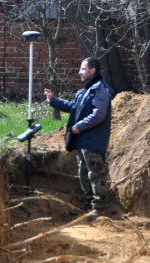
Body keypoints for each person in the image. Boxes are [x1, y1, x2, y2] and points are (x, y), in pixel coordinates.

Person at [44, 57, 113, 218]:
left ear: (92, 70)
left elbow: (99, 114)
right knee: (83, 173)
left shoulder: (100, 90)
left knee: (95, 174)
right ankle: (86, 205)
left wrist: (79, 126)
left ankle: (99, 207)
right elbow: (72, 107)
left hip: (93, 141)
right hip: (82, 141)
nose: (79, 73)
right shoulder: (84, 92)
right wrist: (52, 100)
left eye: (83, 69)